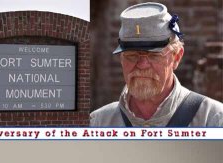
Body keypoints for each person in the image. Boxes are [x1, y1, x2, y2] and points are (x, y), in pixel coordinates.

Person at [90, 2, 223, 127]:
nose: (142, 65)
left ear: (176, 57)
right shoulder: (97, 123)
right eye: (132, 55)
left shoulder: (212, 120)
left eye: (154, 55)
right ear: (121, 59)